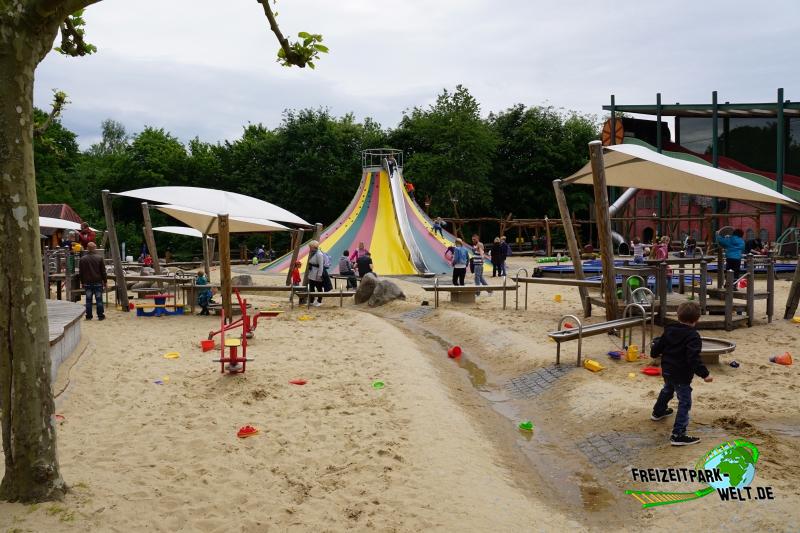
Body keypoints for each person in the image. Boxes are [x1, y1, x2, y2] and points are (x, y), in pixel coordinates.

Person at [650, 301, 712, 446]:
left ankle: (658, 412)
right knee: (685, 401)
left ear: (678, 315)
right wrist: (705, 374)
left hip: (667, 370)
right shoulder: (693, 336)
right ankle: (678, 434)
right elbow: (693, 358)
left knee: (667, 389)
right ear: (697, 319)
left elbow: (659, 345)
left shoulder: (669, 329)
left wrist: (654, 353)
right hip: (681, 374)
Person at [78, 242, 106, 320]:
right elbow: (103, 271)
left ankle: (89, 316)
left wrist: (82, 282)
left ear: (87, 248)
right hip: (97, 282)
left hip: (87, 282)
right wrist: (105, 281)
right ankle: (100, 316)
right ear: (95, 248)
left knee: (88, 300)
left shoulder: (82, 259)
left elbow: (81, 272)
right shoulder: (99, 258)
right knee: (99, 300)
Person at [306, 241, 325, 306]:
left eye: (310, 247)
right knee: (311, 287)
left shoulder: (319, 254)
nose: (310, 248)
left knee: (319, 287)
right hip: (312, 272)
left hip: (317, 273)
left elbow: (321, 265)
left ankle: (319, 301)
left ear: (314, 247)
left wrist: (319, 275)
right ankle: (311, 300)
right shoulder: (312, 253)